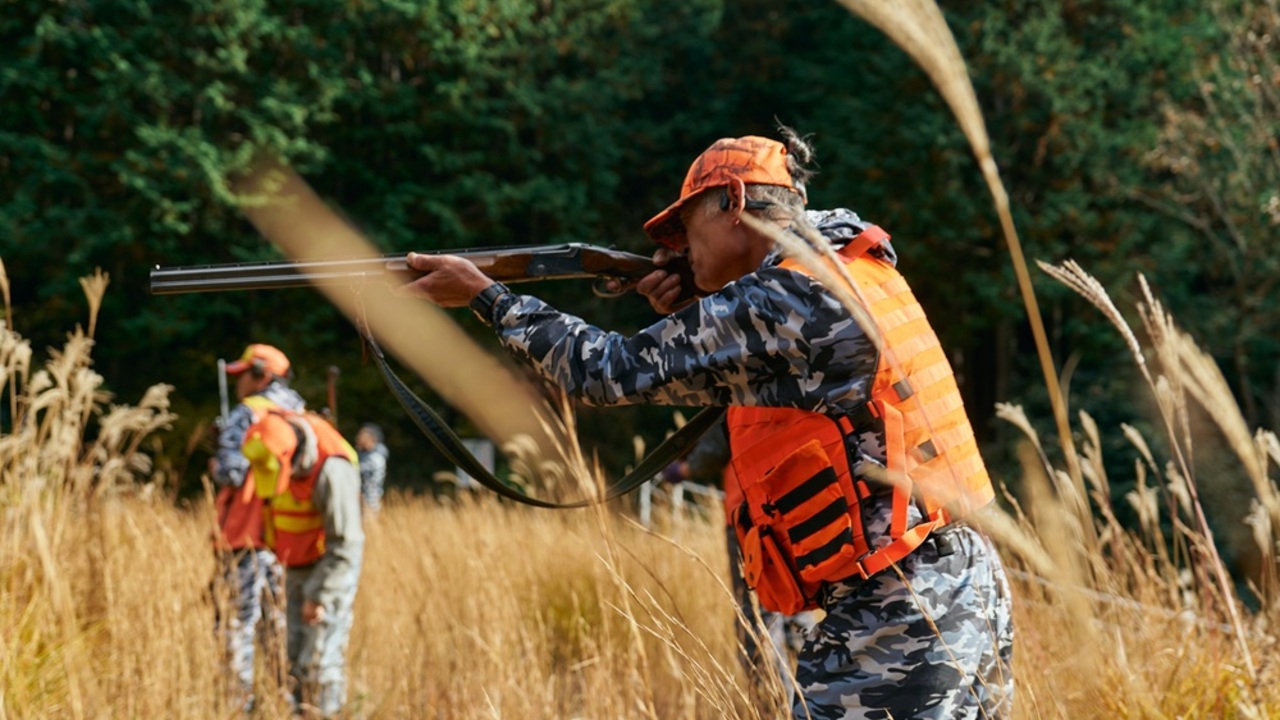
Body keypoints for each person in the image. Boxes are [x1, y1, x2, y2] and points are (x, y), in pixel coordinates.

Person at [401, 129, 1014, 719]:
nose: (678, 250)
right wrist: (698, 310)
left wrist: (488, 297)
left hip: (899, 608)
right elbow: (792, 376)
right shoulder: (848, 271)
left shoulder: (788, 296)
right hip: (958, 585)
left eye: (684, 228)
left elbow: (606, 373)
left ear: (734, 204)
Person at [661, 419, 816, 707]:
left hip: (749, 518)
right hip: (795, 508)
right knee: (796, 603)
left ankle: (776, 705)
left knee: (757, 613)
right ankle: (814, 695)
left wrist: (681, 470)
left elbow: (715, 447)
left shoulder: (734, 386)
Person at [242, 408, 363, 718]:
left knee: (319, 663)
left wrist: (320, 595)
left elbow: (347, 545)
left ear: (293, 455)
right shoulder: (265, 445)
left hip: (328, 568)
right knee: (293, 657)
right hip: (294, 566)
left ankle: (326, 713)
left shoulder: (332, 469)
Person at [209, 343, 306, 711]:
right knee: (279, 626)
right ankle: (288, 703)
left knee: (237, 624)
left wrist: (218, 465)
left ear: (262, 375)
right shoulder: (299, 413)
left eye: (244, 375)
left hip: (246, 535)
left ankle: (240, 705)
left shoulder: (246, 414)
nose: (238, 383)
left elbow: (234, 472)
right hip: (288, 536)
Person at [354, 422, 390, 513]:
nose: (358, 439)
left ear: (372, 438)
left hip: (370, 501)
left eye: (362, 436)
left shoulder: (375, 458)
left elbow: (360, 472)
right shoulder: (364, 454)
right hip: (361, 501)